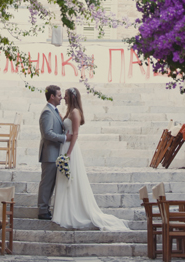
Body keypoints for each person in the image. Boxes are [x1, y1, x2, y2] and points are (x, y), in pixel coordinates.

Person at [53, 86, 129, 231]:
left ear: (72, 97)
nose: (64, 97)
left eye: (66, 95)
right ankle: (64, 211)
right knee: (64, 180)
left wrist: (68, 153)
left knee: (71, 180)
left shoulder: (75, 112)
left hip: (71, 149)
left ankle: (73, 212)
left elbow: (75, 134)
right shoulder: (69, 111)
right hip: (64, 147)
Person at [37, 84, 72, 220]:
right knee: (46, 183)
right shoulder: (47, 112)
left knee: (50, 183)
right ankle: (42, 210)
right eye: (58, 95)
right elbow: (47, 134)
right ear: (52, 96)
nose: (61, 97)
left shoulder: (55, 111)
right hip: (49, 154)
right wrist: (64, 138)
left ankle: (46, 208)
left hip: (55, 153)